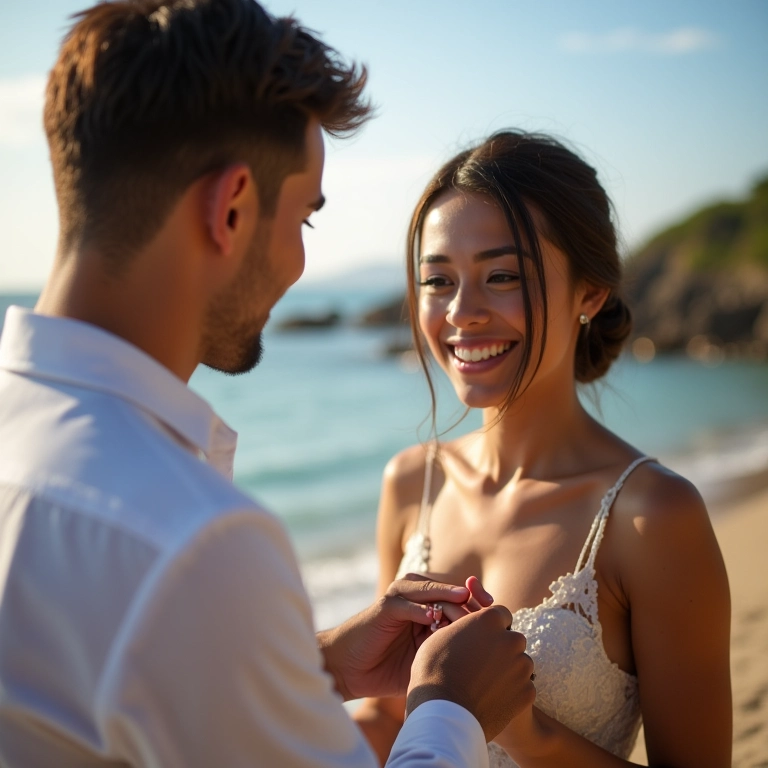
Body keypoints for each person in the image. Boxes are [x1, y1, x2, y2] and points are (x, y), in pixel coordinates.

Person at [0, 3, 537, 766]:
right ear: (231, 208)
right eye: (305, 221)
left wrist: (315, 664)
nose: (297, 263)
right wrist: (452, 707)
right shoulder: (196, 542)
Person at [354, 131, 732, 767]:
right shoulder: (410, 482)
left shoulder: (654, 518)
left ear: (589, 292)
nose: (462, 313)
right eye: (437, 280)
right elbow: (383, 717)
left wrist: (521, 730)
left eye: (501, 276)